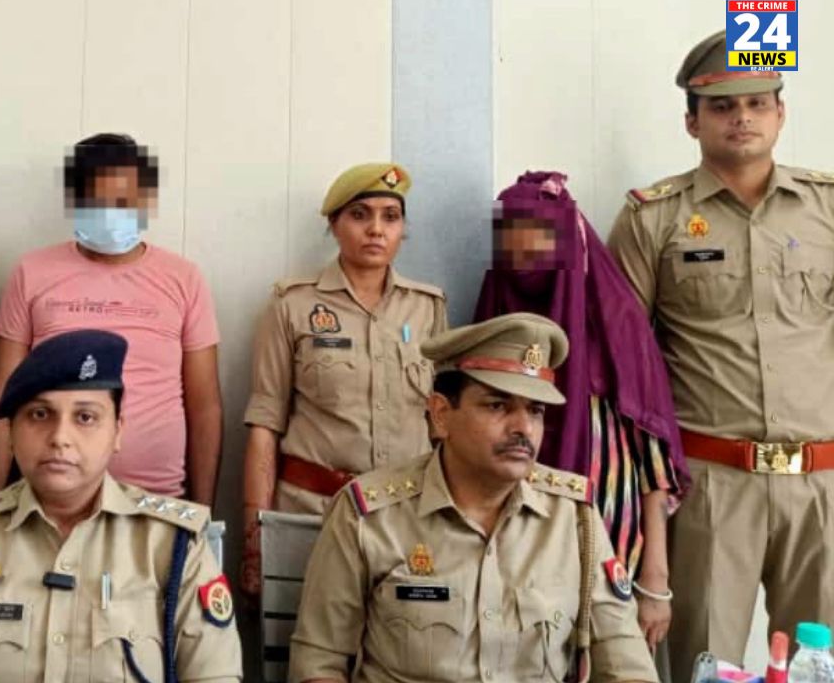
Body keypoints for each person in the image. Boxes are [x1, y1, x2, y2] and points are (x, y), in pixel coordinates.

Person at [608, 30, 834, 681]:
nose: (743, 117)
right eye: (723, 106)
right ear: (692, 121)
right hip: (712, 483)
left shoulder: (826, 209)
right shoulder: (653, 218)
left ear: (781, 113)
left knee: (822, 667)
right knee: (706, 664)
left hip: (821, 482)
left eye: (759, 103)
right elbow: (627, 375)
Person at [289, 313, 658, 683]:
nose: (523, 428)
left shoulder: (573, 519)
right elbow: (318, 664)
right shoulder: (369, 516)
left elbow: (627, 667)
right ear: (441, 414)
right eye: (497, 406)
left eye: (535, 410)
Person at [0, 329, 242, 682]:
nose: (60, 437)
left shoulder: (173, 548)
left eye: (85, 417)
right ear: (10, 432)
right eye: (39, 415)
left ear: (118, 431)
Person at [474, 170, 691, 649]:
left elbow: (653, 467)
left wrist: (655, 581)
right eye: (511, 233)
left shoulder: (617, 327)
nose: (525, 249)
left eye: (540, 233)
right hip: (509, 553)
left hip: (608, 546)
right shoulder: (493, 316)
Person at [0, 133, 222, 505]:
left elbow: (204, 406)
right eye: (97, 198)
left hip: (155, 502)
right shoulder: (32, 272)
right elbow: (0, 395)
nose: (109, 212)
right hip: (51, 498)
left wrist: (202, 512)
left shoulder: (183, 278)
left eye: (122, 199)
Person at [241, 162, 447, 596]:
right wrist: (254, 537)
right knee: (303, 633)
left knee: (402, 634)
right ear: (334, 225)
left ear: (403, 229)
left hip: (405, 517)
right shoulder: (293, 305)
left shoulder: (427, 308)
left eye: (391, 217)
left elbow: (442, 426)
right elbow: (265, 423)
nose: (376, 229)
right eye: (359, 215)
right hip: (313, 512)